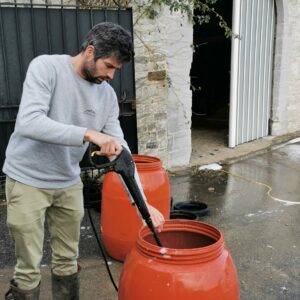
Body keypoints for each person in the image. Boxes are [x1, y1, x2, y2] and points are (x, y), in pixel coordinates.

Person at [3, 22, 165, 299]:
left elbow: (121, 151)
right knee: (28, 268)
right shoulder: (46, 68)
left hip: (68, 182)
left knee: (67, 261)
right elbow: (29, 123)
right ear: (90, 51)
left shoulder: (107, 96)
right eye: (109, 66)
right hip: (28, 180)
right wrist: (90, 134)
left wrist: (142, 203)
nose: (112, 75)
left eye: (116, 69)